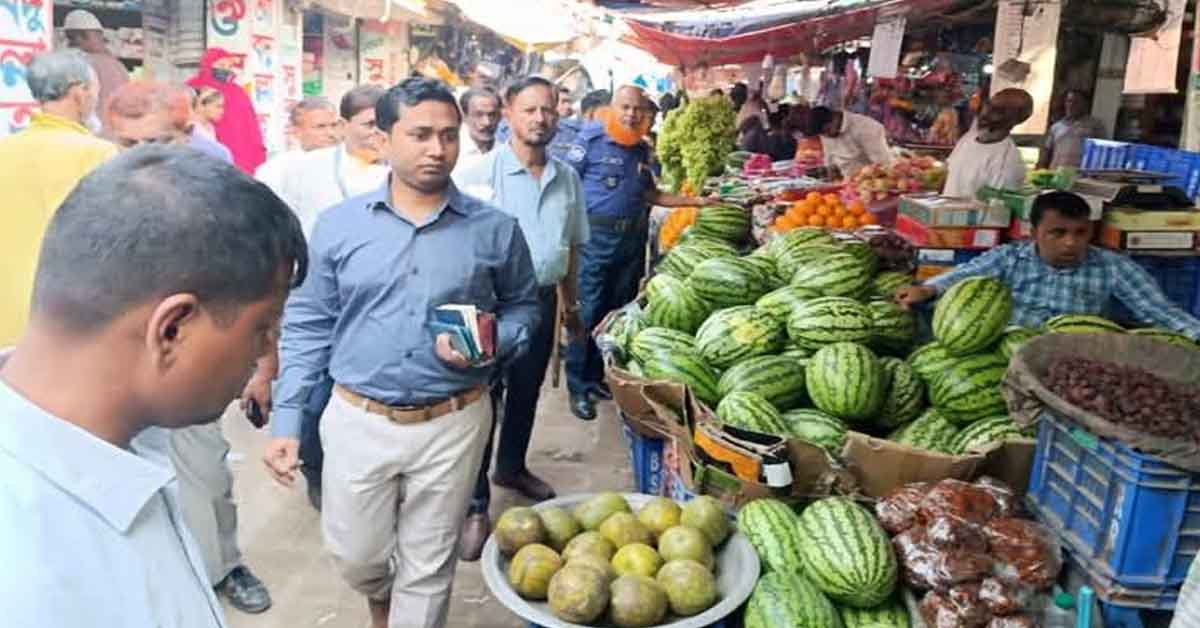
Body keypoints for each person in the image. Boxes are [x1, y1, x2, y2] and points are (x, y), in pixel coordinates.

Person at [263, 77, 540, 628]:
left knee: (430, 563)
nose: (436, 149)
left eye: (447, 135)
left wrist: (493, 342)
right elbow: (309, 324)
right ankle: (381, 599)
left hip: (454, 419)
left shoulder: (495, 230)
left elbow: (525, 311)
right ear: (383, 140)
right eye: (419, 134)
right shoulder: (339, 227)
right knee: (356, 555)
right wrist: (288, 418)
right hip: (357, 418)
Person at [0, 144, 307, 628]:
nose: (266, 352)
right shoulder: (28, 583)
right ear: (172, 330)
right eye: (263, 328)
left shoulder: (123, 442)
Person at [102, 78, 275, 614]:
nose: (137, 159)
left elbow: (259, 286)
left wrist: (262, 364)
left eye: (153, 143)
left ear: (187, 133)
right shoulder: (99, 194)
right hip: (117, 364)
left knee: (205, 473)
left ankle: (224, 566)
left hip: (193, 363)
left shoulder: (222, 196)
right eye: (126, 146)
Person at [454, 76, 589, 561]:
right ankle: (474, 504)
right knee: (480, 400)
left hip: (540, 300)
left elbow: (570, 248)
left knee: (526, 393)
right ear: (508, 112)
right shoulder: (476, 174)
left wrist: (572, 310)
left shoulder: (567, 178)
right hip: (484, 303)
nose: (540, 118)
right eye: (529, 109)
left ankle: (510, 467)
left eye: (548, 109)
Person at [248, 84, 389, 512]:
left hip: (373, 308)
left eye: (386, 124)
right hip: (312, 303)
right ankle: (316, 473)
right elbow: (266, 231)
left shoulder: (399, 172)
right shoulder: (299, 170)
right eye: (368, 125)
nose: (378, 133)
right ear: (344, 126)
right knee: (310, 396)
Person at [562, 85, 714, 420]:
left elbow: (651, 196)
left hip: (632, 240)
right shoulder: (589, 142)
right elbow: (564, 189)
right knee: (587, 311)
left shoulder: (642, 151)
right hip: (595, 239)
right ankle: (578, 385)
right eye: (625, 107)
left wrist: (697, 201)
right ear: (612, 108)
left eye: (637, 109)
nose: (631, 114)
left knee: (616, 314)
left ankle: (597, 376)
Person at [896, 191, 1200, 338]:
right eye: (1058, 233)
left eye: (1080, 233)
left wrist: (1194, 335)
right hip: (1009, 352)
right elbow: (965, 275)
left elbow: (1159, 310)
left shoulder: (1112, 267)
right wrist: (927, 290)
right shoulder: (1010, 258)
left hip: (1071, 360)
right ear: (1034, 233)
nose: (1070, 242)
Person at [0, 50, 118, 347]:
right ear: (79, 92)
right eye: (94, 91)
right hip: (60, 323)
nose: (95, 99)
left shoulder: (5, 150)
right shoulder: (97, 154)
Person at [187, 48, 266, 175]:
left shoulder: (238, 92)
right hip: (204, 159)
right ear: (208, 64)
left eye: (229, 66)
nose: (226, 69)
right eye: (221, 65)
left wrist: (258, 153)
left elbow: (252, 125)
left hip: (240, 158)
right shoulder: (192, 88)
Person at [943, 88, 1032, 198]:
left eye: (998, 111)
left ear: (1014, 120)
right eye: (988, 105)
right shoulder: (968, 139)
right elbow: (947, 175)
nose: (986, 114)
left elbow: (993, 211)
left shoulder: (1007, 163)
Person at [256, 97, 342, 193]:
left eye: (334, 125)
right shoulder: (275, 171)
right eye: (320, 127)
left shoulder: (352, 164)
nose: (331, 133)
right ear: (296, 131)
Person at [63, 9, 128, 115]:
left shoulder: (82, 64)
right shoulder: (119, 65)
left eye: (71, 39)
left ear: (81, 37)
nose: (71, 44)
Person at [805, 105, 893, 179]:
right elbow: (830, 158)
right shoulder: (826, 132)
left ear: (835, 118)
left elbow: (883, 164)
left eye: (827, 130)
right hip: (845, 183)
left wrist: (863, 179)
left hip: (869, 184)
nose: (827, 136)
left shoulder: (866, 128)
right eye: (823, 135)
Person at [1039, 89, 1106, 169]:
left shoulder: (1095, 125)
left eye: (1076, 102)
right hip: (1057, 172)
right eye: (1069, 101)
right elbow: (1047, 150)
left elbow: (1101, 151)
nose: (1071, 105)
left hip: (1081, 174)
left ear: (1084, 104)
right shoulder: (1056, 127)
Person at [452, 86, 502, 180]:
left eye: (492, 115)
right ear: (464, 116)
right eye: (479, 115)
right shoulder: (452, 152)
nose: (487, 122)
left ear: (500, 117)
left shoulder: (506, 154)